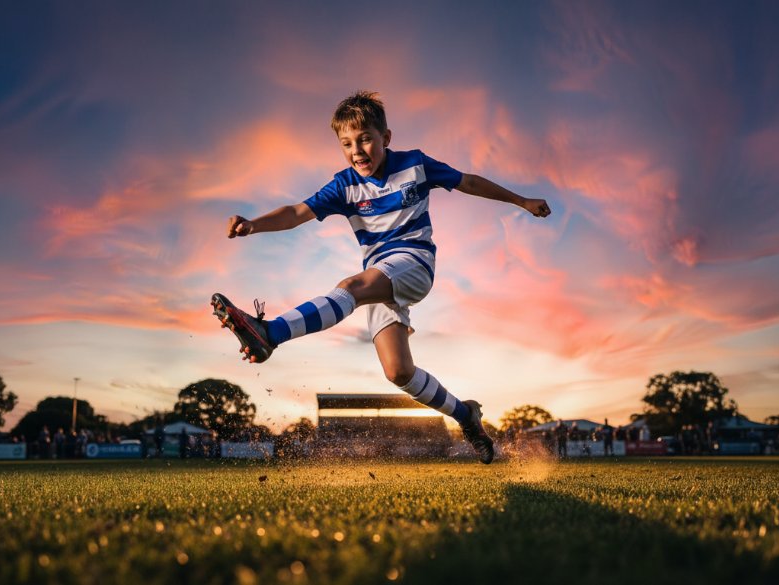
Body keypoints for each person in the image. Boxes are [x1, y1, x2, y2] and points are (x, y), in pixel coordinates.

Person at [211, 91, 551, 464]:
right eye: (346, 143)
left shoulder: (415, 165)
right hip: (380, 276)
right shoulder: (343, 186)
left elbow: (467, 181)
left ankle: (271, 332)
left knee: (351, 287)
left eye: (365, 138)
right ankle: (465, 414)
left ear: (386, 137)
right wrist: (253, 225)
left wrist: (521, 201)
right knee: (398, 372)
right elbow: (296, 212)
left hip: (414, 262)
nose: (357, 150)